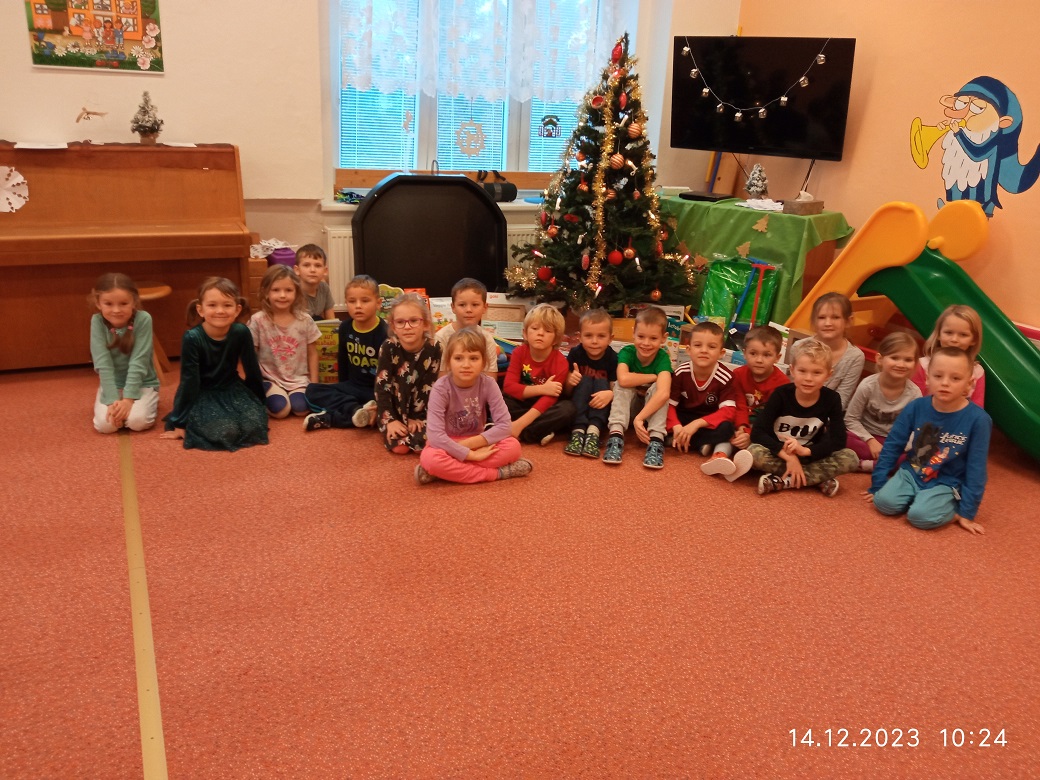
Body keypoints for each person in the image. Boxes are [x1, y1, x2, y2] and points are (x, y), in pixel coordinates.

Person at [867, 347, 992, 534]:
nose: (945, 383)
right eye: (938, 376)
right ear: (927, 378)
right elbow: (893, 445)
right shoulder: (916, 406)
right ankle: (917, 496)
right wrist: (877, 483)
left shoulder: (979, 420)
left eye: (955, 378)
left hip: (947, 481)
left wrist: (967, 512)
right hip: (912, 472)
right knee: (883, 503)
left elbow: (977, 468)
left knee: (920, 517)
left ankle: (943, 503)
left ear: (969, 384)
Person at [161, 277, 268, 451]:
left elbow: (252, 369)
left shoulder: (241, 332)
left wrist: (259, 402)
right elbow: (189, 381)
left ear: (237, 309)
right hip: (202, 392)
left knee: (253, 425)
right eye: (212, 305)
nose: (220, 311)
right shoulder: (192, 337)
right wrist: (179, 422)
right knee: (226, 432)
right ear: (200, 310)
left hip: (231, 388)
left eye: (227, 305)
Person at [416, 327, 532, 485]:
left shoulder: (489, 384)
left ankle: (444, 472)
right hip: (448, 444)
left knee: (513, 447)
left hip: (477, 442)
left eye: (474, 358)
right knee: (430, 458)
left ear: (484, 362)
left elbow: (505, 426)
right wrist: (469, 455)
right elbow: (436, 436)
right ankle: (498, 473)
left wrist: (468, 447)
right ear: (448, 361)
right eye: (458, 358)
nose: (466, 365)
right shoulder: (440, 388)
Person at [749, 339, 858, 496]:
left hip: (811, 455)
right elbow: (758, 433)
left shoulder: (832, 399)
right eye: (802, 371)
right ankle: (817, 478)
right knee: (753, 453)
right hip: (779, 453)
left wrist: (805, 451)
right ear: (792, 371)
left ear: (829, 375)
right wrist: (789, 457)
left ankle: (783, 481)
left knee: (850, 458)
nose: (808, 378)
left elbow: (838, 440)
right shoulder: (780, 394)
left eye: (817, 373)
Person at [303, 274, 387, 430]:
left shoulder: (385, 333)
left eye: (365, 301)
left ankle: (331, 418)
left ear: (378, 303)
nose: (358, 306)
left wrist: (382, 401)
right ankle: (356, 410)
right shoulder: (345, 327)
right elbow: (342, 361)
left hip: (375, 392)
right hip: (352, 388)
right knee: (312, 390)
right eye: (352, 301)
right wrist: (342, 387)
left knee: (386, 409)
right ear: (346, 302)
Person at [666, 321, 749, 479]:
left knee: (727, 429)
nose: (704, 350)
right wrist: (676, 426)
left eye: (711, 347)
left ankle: (680, 441)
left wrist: (697, 424)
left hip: (708, 421)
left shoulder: (726, 377)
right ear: (688, 350)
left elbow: (728, 411)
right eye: (698, 345)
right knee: (657, 422)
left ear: (721, 353)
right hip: (684, 417)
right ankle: (694, 442)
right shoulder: (681, 372)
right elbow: (670, 405)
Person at [602, 306, 673, 469]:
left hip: (649, 412)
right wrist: (654, 376)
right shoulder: (627, 352)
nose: (646, 343)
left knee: (659, 390)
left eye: (653, 338)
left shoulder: (662, 358)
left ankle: (656, 441)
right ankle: (616, 436)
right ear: (633, 333)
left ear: (664, 338)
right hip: (629, 408)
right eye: (641, 336)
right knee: (621, 386)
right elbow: (623, 379)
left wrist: (640, 418)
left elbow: (663, 393)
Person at [89, 273, 160, 433]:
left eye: (123, 303)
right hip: (113, 384)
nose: (116, 310)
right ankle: (113, 400)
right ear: (98, 303)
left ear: (134, 301)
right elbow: (103, 364)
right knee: (106, 426)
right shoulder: (97, 322)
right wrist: (112, 400)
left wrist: (128, 400)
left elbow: (139, 361)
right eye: (108, 304)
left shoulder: (143, 319)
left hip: (143, 383)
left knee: (137, 422)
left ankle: (151, 399)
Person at [247, 265, 320, 418]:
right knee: (281, 411)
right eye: (276, 290)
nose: (282, 295)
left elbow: (313, 353)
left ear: (296, 293)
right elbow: (250, 354)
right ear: (266, 292)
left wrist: (314, 385)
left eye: (288, 290)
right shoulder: (258, 320)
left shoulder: (305, 320)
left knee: (301, 409)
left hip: (298, 380)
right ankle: (266, 394)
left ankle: (291, 395)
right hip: (270, 379)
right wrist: (254, 384)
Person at [374, 293, 441, 454]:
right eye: (400, 322)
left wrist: (416, 417)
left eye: (413, 321)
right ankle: (379, 415)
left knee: (424, 444)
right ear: (393, 326)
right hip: (393, 409)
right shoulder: (388, 347)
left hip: (422, 411)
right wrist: (390, 420)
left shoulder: (434, 348)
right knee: (400, 448)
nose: (407, 327)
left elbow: (430, 386)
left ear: (425, 324)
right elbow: (382, 386)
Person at [845, 331, 922, 471]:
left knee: (918, 453)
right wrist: (870, 441)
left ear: (915, 363)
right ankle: (883, 464)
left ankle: (864, 465)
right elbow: (850, 419)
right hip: (865, 437)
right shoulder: (867, 386)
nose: (901, 364)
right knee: (842, 437)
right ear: (880, 359)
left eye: (908, 360)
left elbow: (915, 429)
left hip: (894, 442)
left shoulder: (914, 393)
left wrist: (898, 448)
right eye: (894, 358)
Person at [502, 303, 576, 445]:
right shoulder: (519, 352)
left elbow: (549, 399)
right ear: (525, 333)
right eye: (535, 328)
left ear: (556, 339)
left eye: (547, 330)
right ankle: (539, 431)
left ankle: (523, 432)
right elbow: (509, 387)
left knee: (568, 410)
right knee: (498, 399)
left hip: (545, 407)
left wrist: (519, 424)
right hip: (522, 400)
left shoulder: (560, 362)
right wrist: (542, 389)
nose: (540, 333)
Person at [562, 308, 617, 458]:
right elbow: (566, 392)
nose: (594, 341)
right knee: (585, 379)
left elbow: (615, 387)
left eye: (601, 336)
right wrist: (570, 381)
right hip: (579, 401)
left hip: (601, 405)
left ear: (610, 338)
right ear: (579, 337)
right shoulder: (575, 354)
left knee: (601, 381)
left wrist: (610, 394)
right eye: (588, 335)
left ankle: (594, 432)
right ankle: (578, 431)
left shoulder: (613, 358)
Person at [730, 325, 789, 458]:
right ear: (744, 353)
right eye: (753, 353)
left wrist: (750, 434)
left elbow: (772, 417)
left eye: (767, 355)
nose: (759, 360)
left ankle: (743, 453)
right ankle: (722, 450)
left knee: (772, 440)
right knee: (724, 424)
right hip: (742, 419)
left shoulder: (782, 383)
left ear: (777, 357)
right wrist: (742, 428)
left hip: (765, 425)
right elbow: (739, 404)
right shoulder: (738, 374)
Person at [910, 304, 985, 407]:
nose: (954, 339)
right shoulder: (922, 366)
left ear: (974, 339)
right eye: (949, 332)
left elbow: (978, 407)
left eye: (963, 335)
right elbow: (914, 404)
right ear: (939, 334)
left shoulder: (977, 372)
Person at [804, 292, 865, 409]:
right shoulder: (799, 347)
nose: (828, 323)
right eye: (822, 317)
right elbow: (790, 389)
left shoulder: (855, 357)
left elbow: (841, 400)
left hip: (828, 413)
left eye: (835, 317)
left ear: (848, 321)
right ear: (814, 320)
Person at [434, 277, 499, 374]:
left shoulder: (487, 339)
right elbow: (441, 377)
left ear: (485, 307)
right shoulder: (441, 338)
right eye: (462, 305)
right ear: (453, 307)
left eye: (475, 305)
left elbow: (491, 377)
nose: (469, 310)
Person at [294, 244, 336, 320]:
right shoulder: (293, 291)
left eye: (318, 265)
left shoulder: (324, 288)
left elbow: (331, 320)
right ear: (297, 270)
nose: (312, 270)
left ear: (325, 271)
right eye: (306, 265)